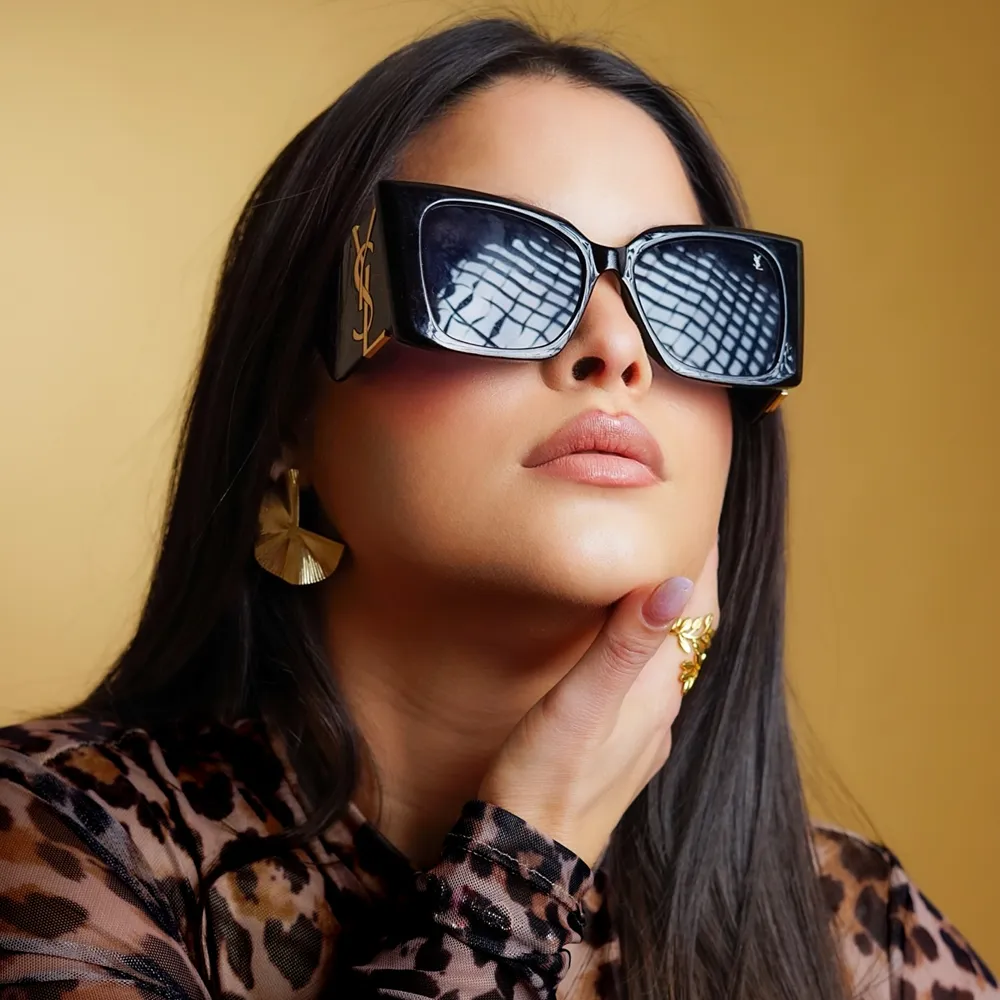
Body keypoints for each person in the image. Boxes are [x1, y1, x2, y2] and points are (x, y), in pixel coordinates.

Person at [0, 15, 994, 1000]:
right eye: (491, 271)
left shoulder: (860, 941)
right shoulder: (59, 839)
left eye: (691, 294)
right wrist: (526, 855)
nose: (617, 349)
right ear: (291, 414)